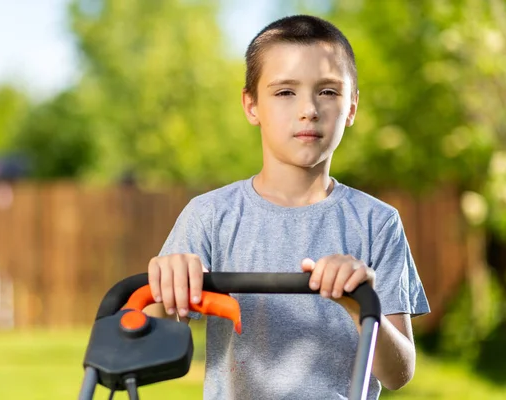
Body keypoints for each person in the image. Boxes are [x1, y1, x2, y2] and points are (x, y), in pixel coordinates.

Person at [147, 14, 430, 399]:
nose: (309, 109)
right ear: (251, 105)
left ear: (351, 107)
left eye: (328, 91)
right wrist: (164, 293)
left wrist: (361, 306)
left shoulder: (377, 223)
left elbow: (399, 374)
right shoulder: (210, 216)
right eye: (285, 92)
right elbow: (145, 345)